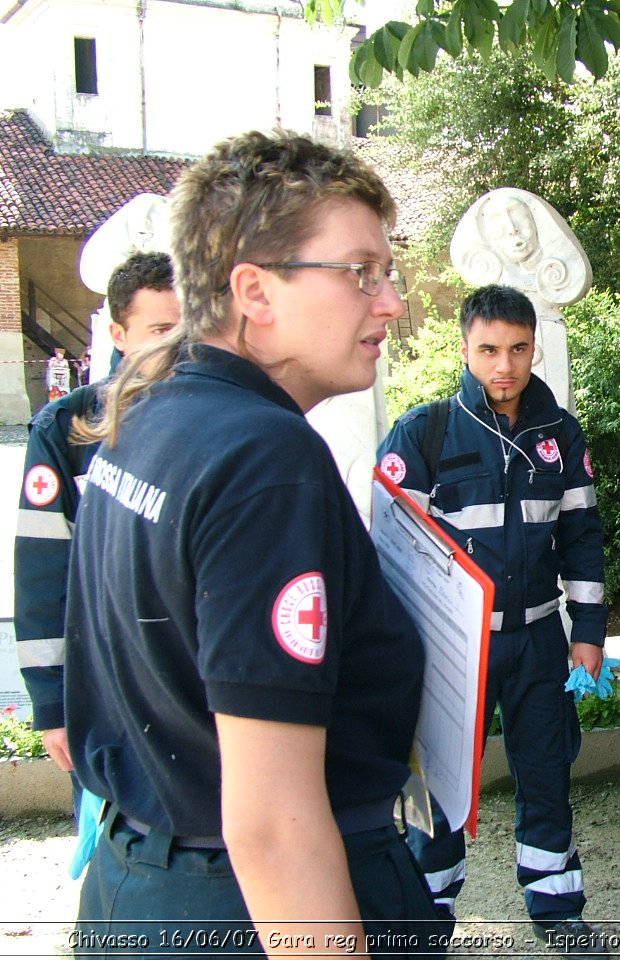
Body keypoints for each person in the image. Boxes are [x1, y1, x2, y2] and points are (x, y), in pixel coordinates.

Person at [63, 129, 451, 957]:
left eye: (388, 274)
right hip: (248, 909)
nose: (390, 303)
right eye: (360, 273)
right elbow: (273, 824)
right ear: (255, 291)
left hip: (139, 884)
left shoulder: (153, 410)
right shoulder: (267, 462)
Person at [376, 283, 608, 954]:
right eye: (487, 350)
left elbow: (583, 536)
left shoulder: (560, 434)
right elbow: (389, 552)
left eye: (516, 349)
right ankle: (426, 918)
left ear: (533, 347)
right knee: (439, 791)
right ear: (465, 348)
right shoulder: (425, 431)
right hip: (453, 649)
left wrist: (587, 634)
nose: (503, 366)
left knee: (546, 774)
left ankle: (557, 908)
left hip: (538, 639)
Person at [15, 251, 179, 779]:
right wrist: (51, 703)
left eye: (186, 328)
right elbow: (43, 573)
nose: (175, 347)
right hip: (106, 690)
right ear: (118, 334)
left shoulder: (230, 423)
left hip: (194, 686)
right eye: (159, 329)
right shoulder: (65, 430)